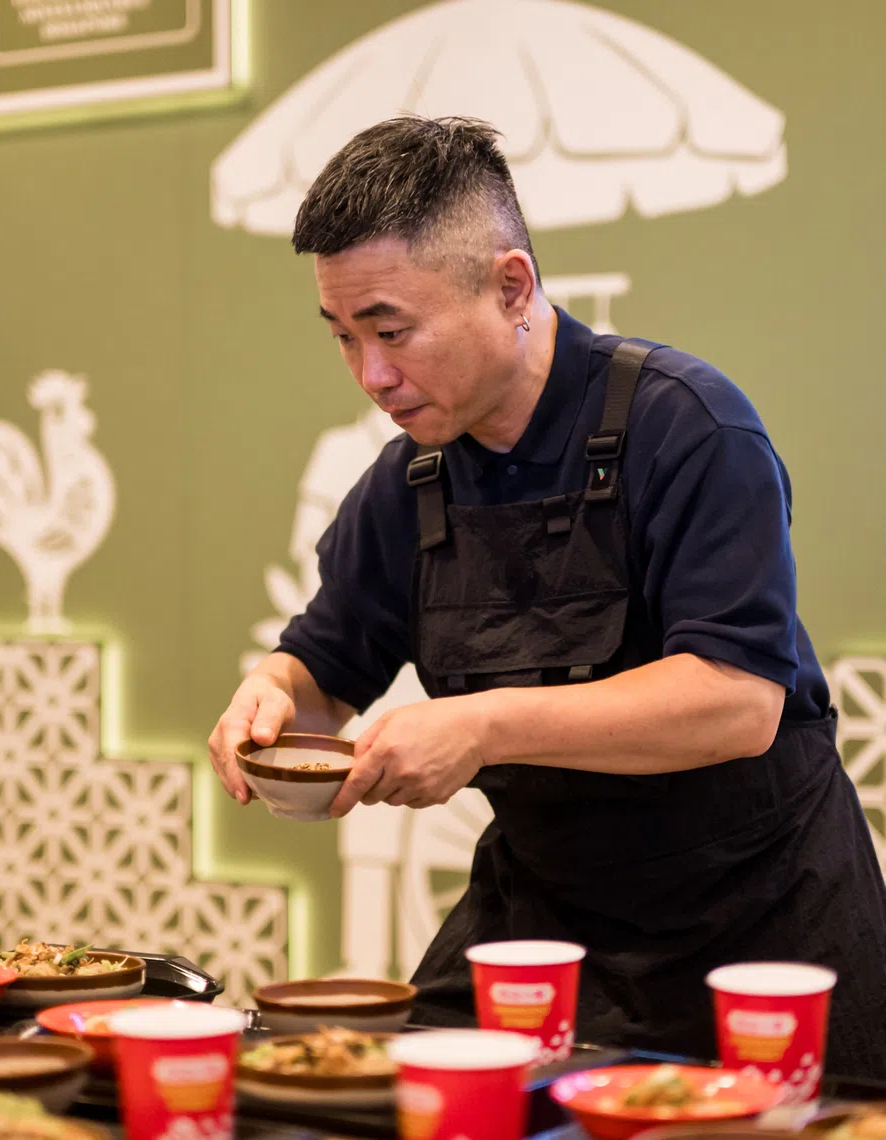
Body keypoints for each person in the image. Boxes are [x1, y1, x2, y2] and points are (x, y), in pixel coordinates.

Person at [207, 116, 886, 1074]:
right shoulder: (407, 486)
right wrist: (273, 694)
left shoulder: (690, 429)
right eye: (345, 337)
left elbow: (738, 703)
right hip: (546, 916)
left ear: (512, 285)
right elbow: (326, 663)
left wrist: (482, 726)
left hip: (759, 921)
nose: (372, 376)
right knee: (402, 1095)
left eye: (392, 330)